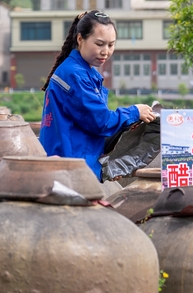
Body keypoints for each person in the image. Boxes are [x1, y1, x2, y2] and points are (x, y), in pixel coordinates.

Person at [39, 10, 155, 180]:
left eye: (111, 45)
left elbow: (86, 126)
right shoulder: (75, 75)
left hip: (72, 163)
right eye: (99, 44)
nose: (105, 51)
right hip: (70, 170)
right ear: (80, 39)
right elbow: (100, 122)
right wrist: (135, 112)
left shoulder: (80, 72)